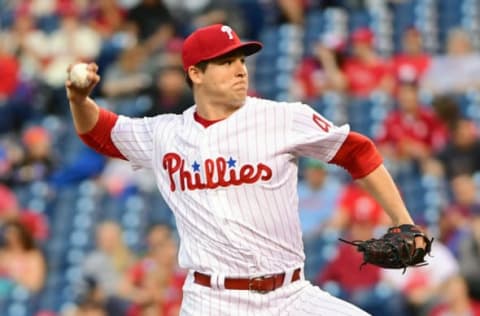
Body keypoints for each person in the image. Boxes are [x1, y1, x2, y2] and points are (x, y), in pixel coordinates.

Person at [65, 24, 428, 315]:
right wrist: (79, 100)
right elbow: (99, 133)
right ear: (196, 73)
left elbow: (358, 152)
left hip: (290, 295)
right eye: (226, 61)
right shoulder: (165, 133)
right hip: (213, 301)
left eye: (242, 59)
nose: (240, 69)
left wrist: (403, 221)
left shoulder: (282, 117)